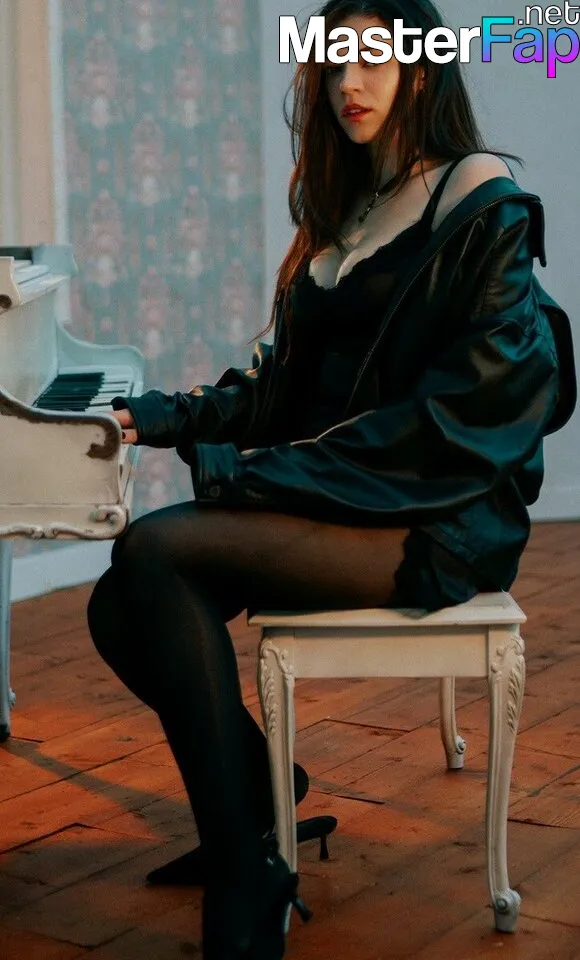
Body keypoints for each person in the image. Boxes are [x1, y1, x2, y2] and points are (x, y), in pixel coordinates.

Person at [86, 0, 576, 957]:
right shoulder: (349, 204)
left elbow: (456, 420)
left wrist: (260, 475)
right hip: (354, 493)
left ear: (421, 72)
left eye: (372, 62)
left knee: (153, 553)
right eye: (333, 64)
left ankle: (246, 864)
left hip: (435, 513)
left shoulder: (481, 204)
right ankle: (254, 795)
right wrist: (176, 416)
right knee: (118, 607)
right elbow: (286, 387)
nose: (348, 84)